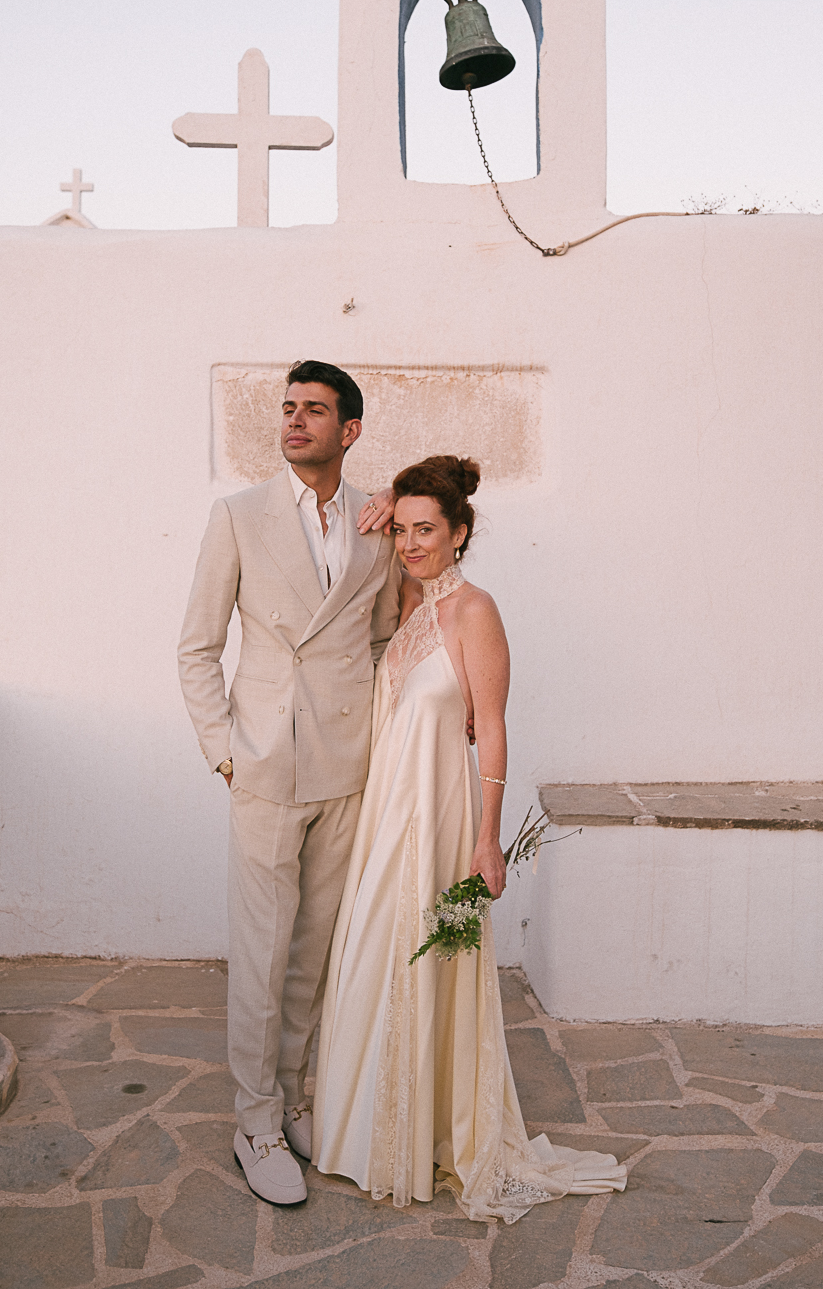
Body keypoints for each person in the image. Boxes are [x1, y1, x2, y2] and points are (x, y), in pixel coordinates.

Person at [313, 456, 626, 1222]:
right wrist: (388, 496)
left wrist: (488, 840)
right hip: (388, 811)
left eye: (429, 530)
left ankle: (421, 1135)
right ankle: (369, 1135)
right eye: (405, 529)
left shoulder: (474, 611)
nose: (413, 542)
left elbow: (492, 728)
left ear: (460, 534)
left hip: (441, 817)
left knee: (423, 964)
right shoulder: (413, 607)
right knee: (370, 960)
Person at [177, 360, 400, 1206]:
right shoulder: (238, 516)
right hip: (265, 763)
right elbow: (196, 646)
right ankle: (255, 1121)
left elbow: (379, 640)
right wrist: (224, 749)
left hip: (346, 762)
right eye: (288, 408)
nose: (294, 421)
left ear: (349, 432)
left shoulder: (377, 523)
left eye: (314, 411)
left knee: (314, 949)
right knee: (263, 955)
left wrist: (378, 738)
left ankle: (298, 1095)